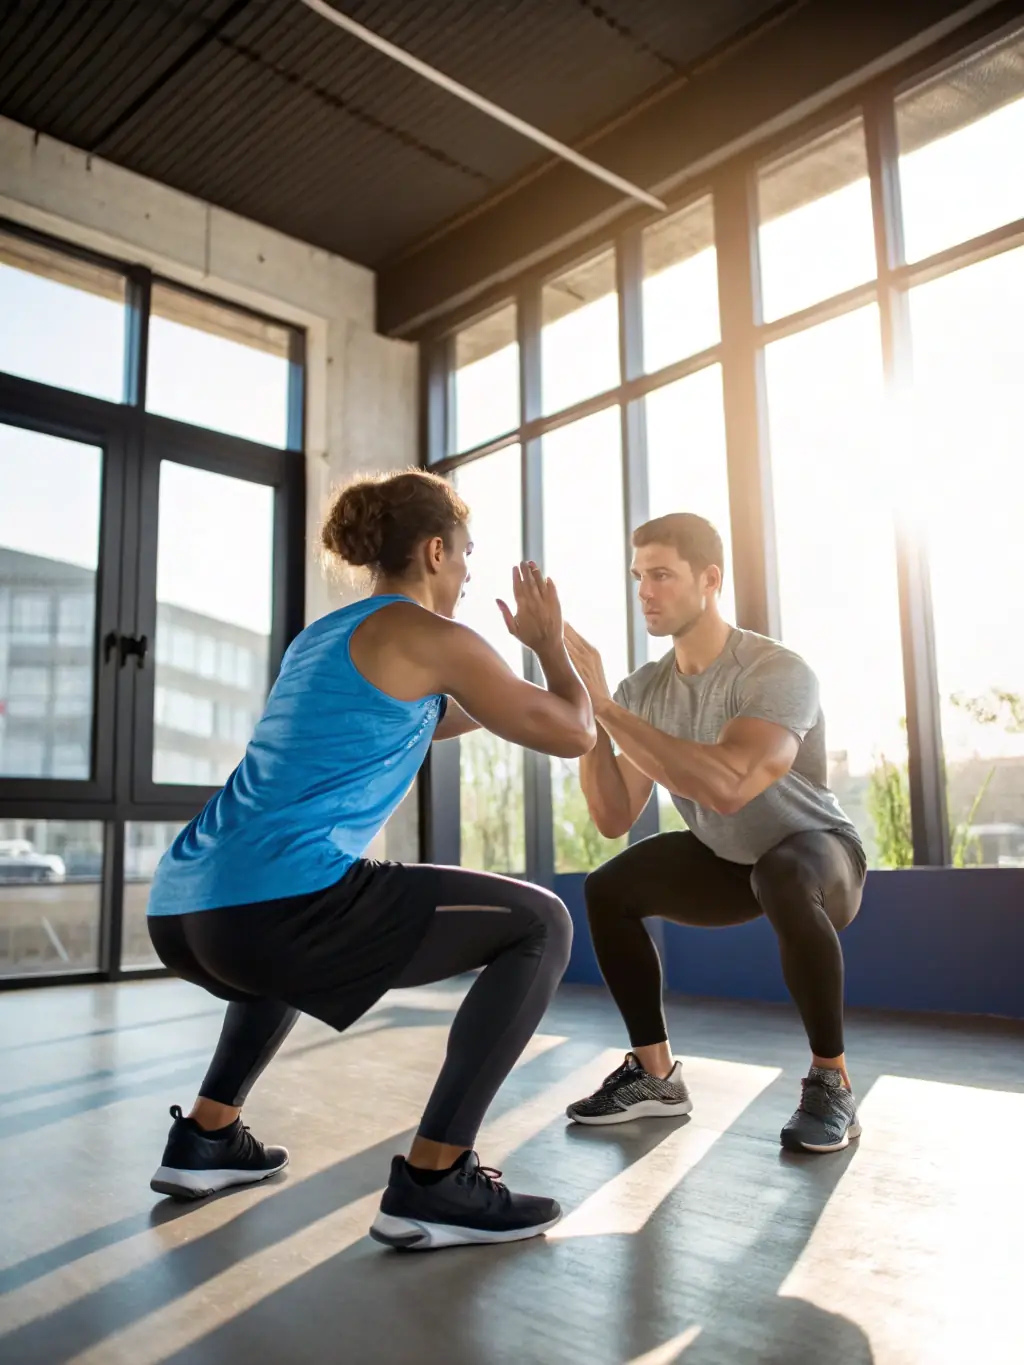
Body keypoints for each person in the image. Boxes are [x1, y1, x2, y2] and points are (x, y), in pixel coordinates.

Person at [146, 468, 596, 1250]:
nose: (465, 574)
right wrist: (553, 651)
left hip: (186, 906)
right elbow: (574, 731)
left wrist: (498, 691)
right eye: (463, 555)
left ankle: (208, 1138)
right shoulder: (431, 635)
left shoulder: (324, 637)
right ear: (432, 550)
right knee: (543, 923)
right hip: (273, 909)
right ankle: (435, 1179)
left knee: (287, 943)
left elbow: (433, 716)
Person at [561, 513, 867, 1153]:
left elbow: (729, 784)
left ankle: (832, 1081)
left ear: (710, 579)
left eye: (663, 575)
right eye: (639, 576)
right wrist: (587, 714)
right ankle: (654, 1076)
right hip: (726, 859)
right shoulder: (644, 689)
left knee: (780, 871)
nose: (645, 591)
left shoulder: (774, 671)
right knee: (607, 889)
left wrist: (610, 709)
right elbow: (614, 815)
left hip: (818, 856)